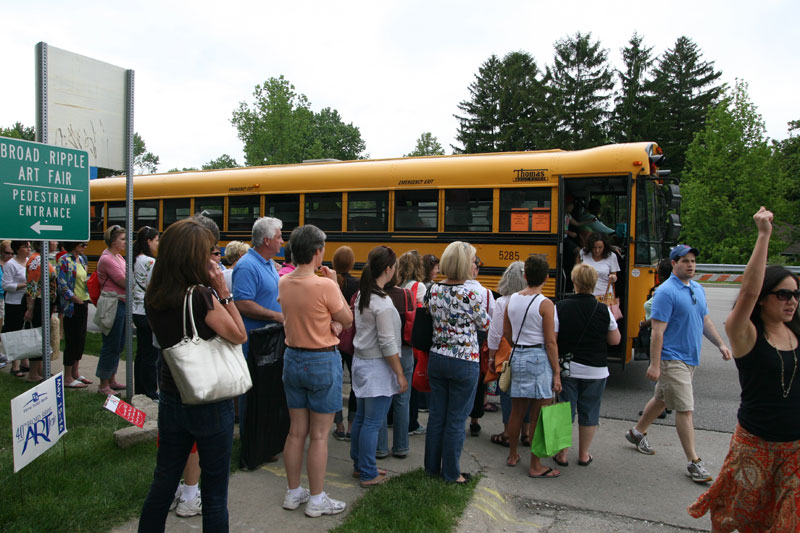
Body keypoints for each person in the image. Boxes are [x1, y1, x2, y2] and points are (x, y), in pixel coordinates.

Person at [689, 207, 800, 530]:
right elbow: (748, 291)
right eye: (783, 294)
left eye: (795, 294)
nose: (791, 301)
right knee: (740, 520)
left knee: (787, 524)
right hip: (755, 447)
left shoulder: (795, 331)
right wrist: (763, 235)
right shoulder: (746, 334)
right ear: (764, 299)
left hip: (794, 451)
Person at [137, 218, 247, 532]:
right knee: (214, 493)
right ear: (191, 256)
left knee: (163, 481)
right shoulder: (200, 296)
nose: (213, 258)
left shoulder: (156, 294)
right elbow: (239, 334)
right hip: (209, 398)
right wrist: (224, 293)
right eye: (207, 253)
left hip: (173, 394)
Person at [625, 244, 732, 483]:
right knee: (685, 409)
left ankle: (636, 433)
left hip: (690, 357)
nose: (690, 264)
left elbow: (704, 320)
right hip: (672, 359)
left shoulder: (697, 289)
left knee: (662, 399)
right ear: (674, 264)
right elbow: (657, 332)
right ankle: (694, 462)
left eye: (693, 260)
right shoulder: (665, 292)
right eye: (685, 261)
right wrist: (654, 364)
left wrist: (721, 345)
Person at [278, 224, 353, 517]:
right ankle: (317, 499)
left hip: (293, 358)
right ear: (317, 252)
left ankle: (293, 492)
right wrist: (336, 284)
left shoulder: (284, 282)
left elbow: (303, 316)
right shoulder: (325, 285)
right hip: (321, 360)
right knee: (320, 435)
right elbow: (346, 320)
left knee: (296, 431)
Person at [424, 241, 489, 484]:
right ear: (464, 264)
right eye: (474, 261)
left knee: (437, 415)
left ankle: (431, 468)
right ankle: (452, 473)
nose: (476, 265)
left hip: (437, 357)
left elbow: (429, 314)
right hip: (464, 361)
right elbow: (484, 324)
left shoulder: (433, 290)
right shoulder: (471, 294)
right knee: (456, 419)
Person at [350, 246, 408, 485]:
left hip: (362, 362)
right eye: (394, 267)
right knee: (372, 421)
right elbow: (387, 343)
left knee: (363, 418)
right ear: (388, 269)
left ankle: (361, 464)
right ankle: (367, 472)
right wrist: (400, 374)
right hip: (377, 367)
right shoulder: (381, 303)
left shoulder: (365, 295)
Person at [553, 264, 621, 467]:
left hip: (569, 367)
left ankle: (562, 454)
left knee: (565, 409)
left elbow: (553, 339)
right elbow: (615, 340)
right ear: (593, 284)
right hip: (596, 369)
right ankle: (583, 454)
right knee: (590, 411)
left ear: (574, 282)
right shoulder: (602, 310)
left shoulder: (561, 307)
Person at [500, 254, 562, 478]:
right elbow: (550, 341)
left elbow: (506, 331)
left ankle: (513, 455)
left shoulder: (513, 299)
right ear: (547, 277)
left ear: (525, 275)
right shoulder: (546, 304)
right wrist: (556, 372)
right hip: (538, 357)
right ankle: (536, 464)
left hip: (517, 354)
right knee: (538, 412)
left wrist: (517, 343)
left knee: (517, 411)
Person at [233, 216, 284, 443]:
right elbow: (243, 303)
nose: (282, 241)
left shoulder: (268, 264)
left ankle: (263, 441)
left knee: (266, 394)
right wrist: (277, 316)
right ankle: (250, 443)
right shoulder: (247, 266)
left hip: (268, 341)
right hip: (253, 343)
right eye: (279, 236)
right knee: (252, 396)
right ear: (266, 240)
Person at [486, 261, 531, 447]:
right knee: (526, 393)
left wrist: (491, 356)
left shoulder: (502, 302)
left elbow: (495, 333)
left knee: (507, 393)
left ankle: (507, 432)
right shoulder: (535, 300)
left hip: (507, 353)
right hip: (528, 351)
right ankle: (526, 433)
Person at [377, 267, 417, 459]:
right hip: (405, 350)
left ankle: (381, 447)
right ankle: (401, 446)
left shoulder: (376, 295)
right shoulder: (406, 295)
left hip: (382, 352)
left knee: (382, 398)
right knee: (403, 400)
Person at [95, 225, 128, 396]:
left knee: (119, 343)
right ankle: (103, 384)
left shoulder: (119, 258)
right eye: (122, 239)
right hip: (112, 304)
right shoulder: (107, 259)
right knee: (110, 344)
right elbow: (123, 281)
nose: (125, 242)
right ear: (113, 241)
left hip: (121, 303)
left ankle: (112, 378)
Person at [464, 255, 494, 437]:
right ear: (474, 270)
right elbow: (491, 321)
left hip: (461, 340)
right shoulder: (486, 293)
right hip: (480, 339)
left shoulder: (449, 289)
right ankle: (475, 420)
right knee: (479, 380)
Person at [332, 245, 359, 441]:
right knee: (355, 384)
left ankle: (338, 425)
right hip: (352, 339)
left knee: (335, 383)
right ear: (351, 263)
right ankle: (351, 426)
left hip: (332, 338)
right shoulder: (357, 285)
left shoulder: (328, 283)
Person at [58, 242, 92, 389]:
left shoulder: (83, 259)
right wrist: (74, 298)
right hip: (72, 306)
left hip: (83, 303)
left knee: (81, 339)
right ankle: (67, 376)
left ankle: (76, 372)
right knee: (72, 340)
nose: (85, 247)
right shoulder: (65, 260)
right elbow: (61, 283)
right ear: (74, 245)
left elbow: (85, 279)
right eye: (82, 244)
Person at [22, 241, 57, 383]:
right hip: (39, 303)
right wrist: (30, 308)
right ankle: (33, 373)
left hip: (46, 302)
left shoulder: (45, 258)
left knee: (43, 336)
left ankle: (41, 369)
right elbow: (32, 286)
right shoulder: (36, 259)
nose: (57, 242)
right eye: (54, 240)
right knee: (37, 336)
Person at [132, 226, 160, 400]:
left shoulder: (134, 259)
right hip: (147, 310)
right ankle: (150, 392)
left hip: (136, 309)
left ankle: (140, 389)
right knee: (151, 354)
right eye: (157, 240)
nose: (158, 244)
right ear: (148, 242)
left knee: (141, 353)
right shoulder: (150, 262)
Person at [3, 241, 32, 377]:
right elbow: (6, 285)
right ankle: (14, 365)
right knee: (14, 332)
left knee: (25, 331)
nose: (28, 249)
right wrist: (24, 285)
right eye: (25, 247)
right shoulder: (11, 264)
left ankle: (24, 361)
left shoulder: (30, 262)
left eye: (29, 246)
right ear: (18, 249)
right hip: (14, 302)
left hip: (27, 301)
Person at [578, 232, 620, 298]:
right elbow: (576, 272)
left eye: (600, 247)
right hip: (585, 294)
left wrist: (613, 277)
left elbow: (614, 276)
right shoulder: (583, 253)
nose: (597, 250)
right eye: (594, 247)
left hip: (605, 295)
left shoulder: (612, 256)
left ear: (605, 247)